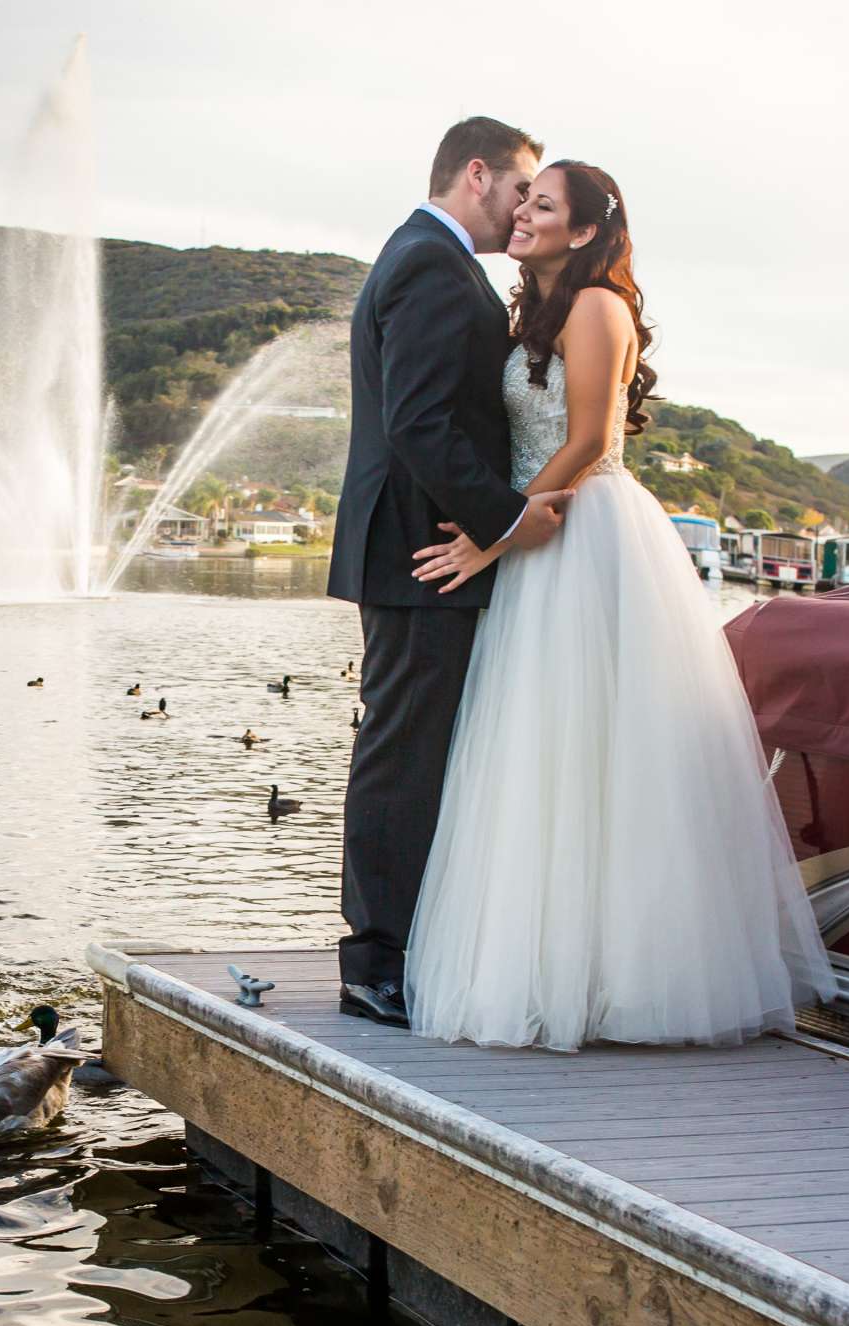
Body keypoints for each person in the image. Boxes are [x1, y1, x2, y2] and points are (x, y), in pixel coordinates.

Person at [401, 160, 833, 1049]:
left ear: (588, 231)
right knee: (541, 754)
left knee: (602, 755)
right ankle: (553, 969)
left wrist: (499, 529)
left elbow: (594, 437)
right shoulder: (534, 313)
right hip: (540, 534)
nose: (524, 215)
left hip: (584, 534)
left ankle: (623, 980)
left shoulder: (598, 307)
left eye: (545, 205)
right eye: (524, 201)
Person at [329, 116, 574, 1028]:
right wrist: (511, 522)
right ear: (479, 174)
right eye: (520, 189)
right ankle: (375, 960)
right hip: (420, 551)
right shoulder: (431, 264)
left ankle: (400, 946)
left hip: (418, 547)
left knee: (419, 747)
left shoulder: (424, 256)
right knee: (403, 752)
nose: (521, 211)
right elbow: (420, 424)